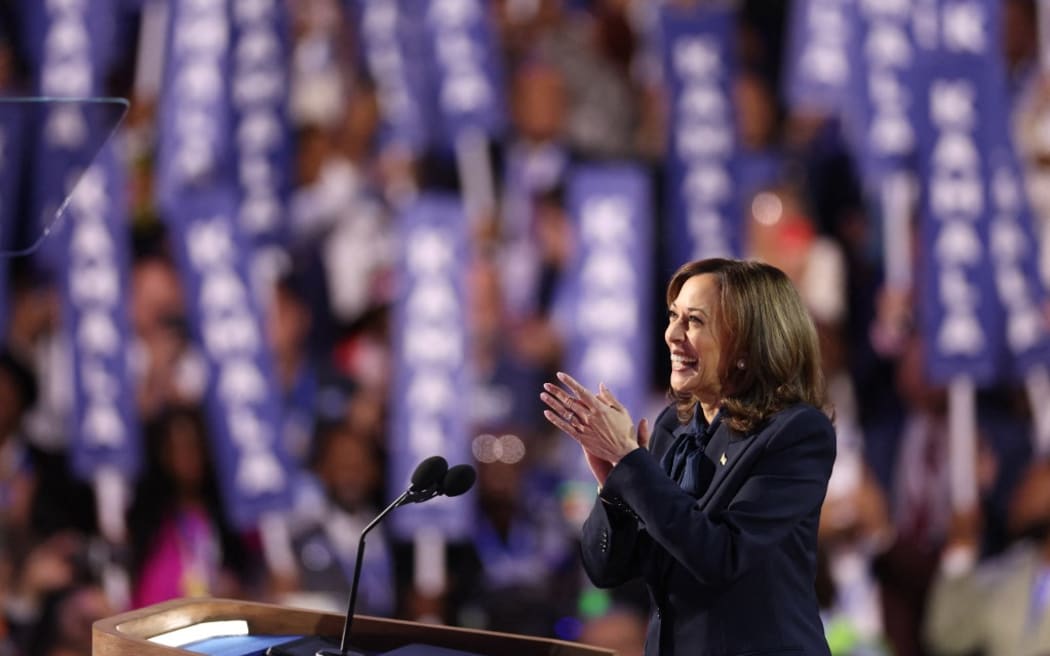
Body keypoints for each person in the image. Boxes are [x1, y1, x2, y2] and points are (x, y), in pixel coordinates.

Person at [541, 257, 837, 656]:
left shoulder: (795, 434)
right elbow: (606, 570)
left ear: (748, 344)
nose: (672, 335)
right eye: (673, 316)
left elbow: (721, 557)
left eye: (694, 321)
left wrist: (632, 464)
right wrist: (613, 487)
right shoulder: (672, 428)